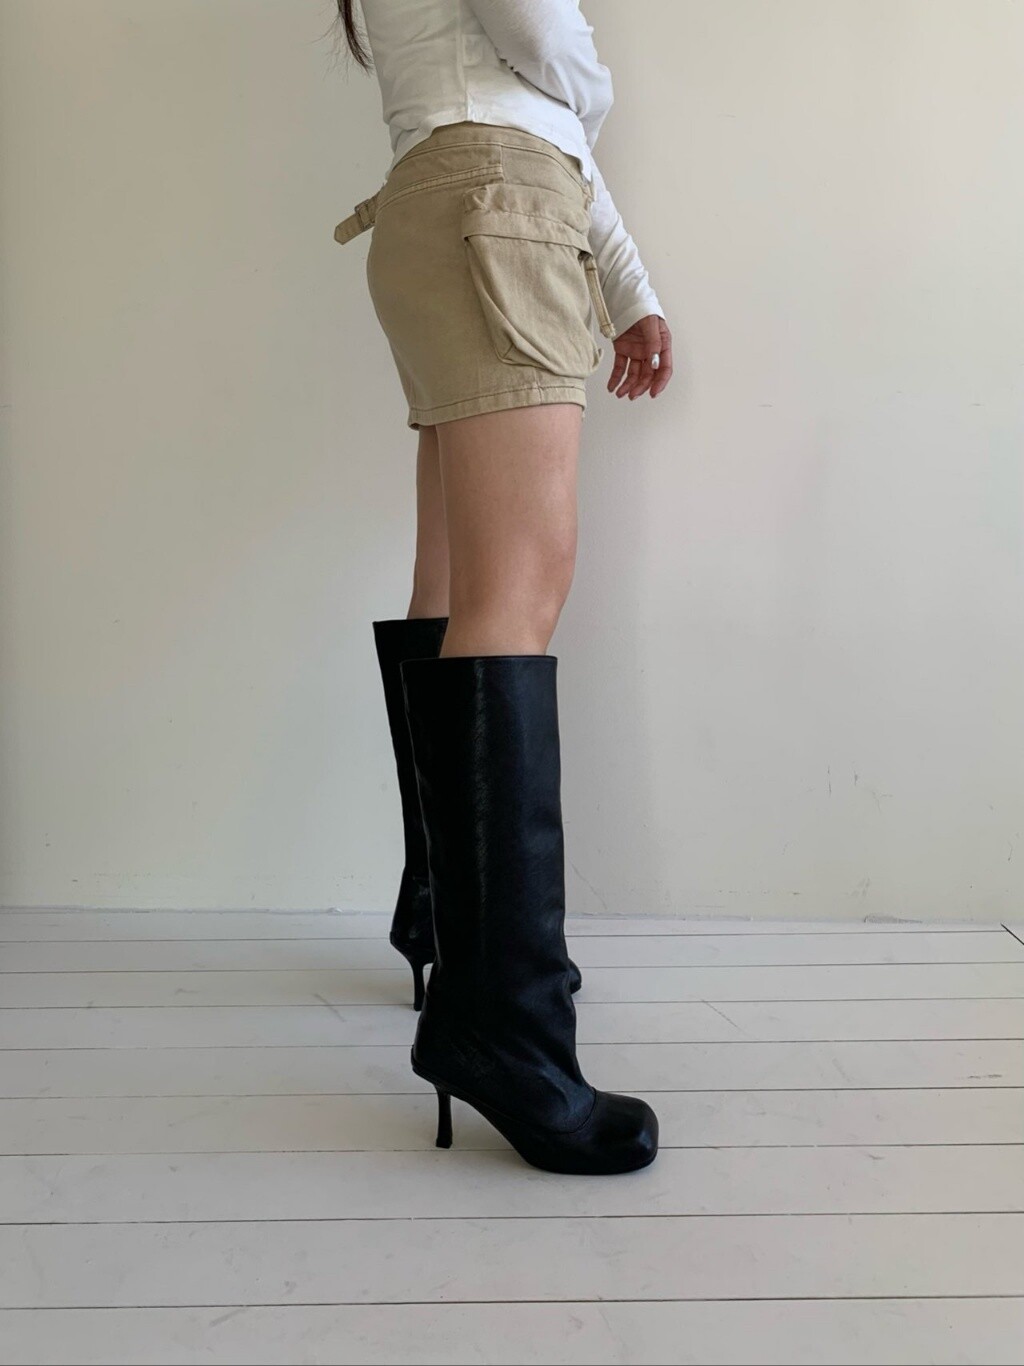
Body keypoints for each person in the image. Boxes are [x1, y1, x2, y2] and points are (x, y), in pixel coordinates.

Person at [333, 0, 672, 1175]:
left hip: (454, 202)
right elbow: (543, 45)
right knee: (516, 590)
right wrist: (599, 87)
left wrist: (627, 284)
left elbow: (538, 112)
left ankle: (449, 922)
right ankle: (506, 1027)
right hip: (497, 204)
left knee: (458, 581)